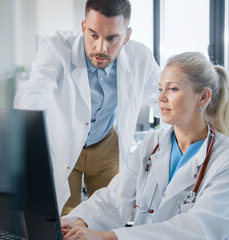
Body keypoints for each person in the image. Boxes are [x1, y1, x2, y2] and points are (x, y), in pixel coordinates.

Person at [60, 52, 229, 240]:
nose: (161, 98)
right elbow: (115, 197)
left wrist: (109, 237)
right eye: (160, 89)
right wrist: (78, 223)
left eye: (173, 89)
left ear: (202, 97)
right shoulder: (152, 144)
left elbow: (199, 229)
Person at [14, 0, 161, 215]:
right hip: (65, 142)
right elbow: (36, 91)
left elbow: (163, 99)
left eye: (112, 38)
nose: (100, 48)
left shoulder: (141, 57)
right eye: (93, 35)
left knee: (108, 217)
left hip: (107, 144)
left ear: (127, 36)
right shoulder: (56, 48)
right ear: (83, 27)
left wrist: (176, 144)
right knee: (63, 219)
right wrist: (29, 138)